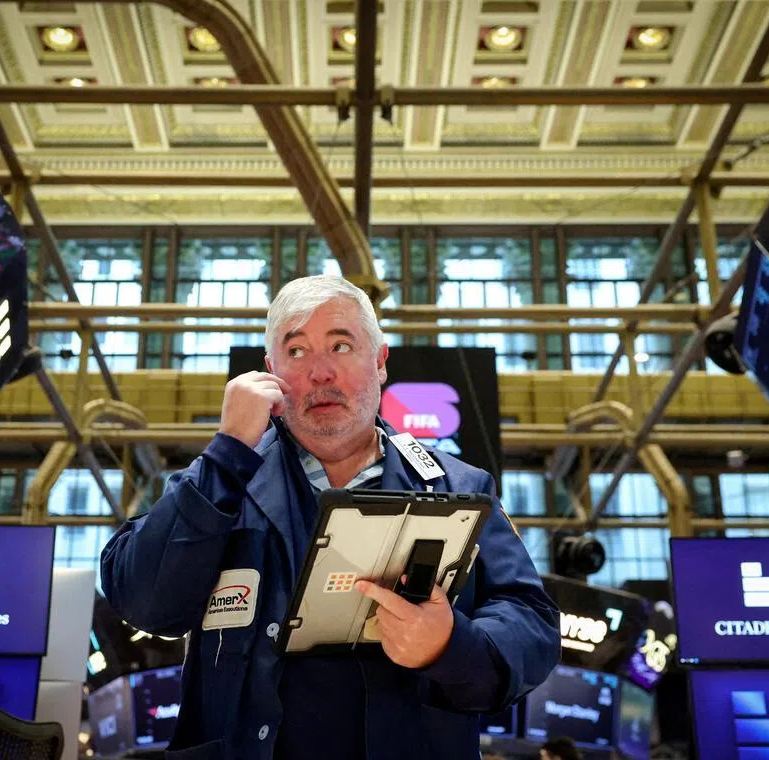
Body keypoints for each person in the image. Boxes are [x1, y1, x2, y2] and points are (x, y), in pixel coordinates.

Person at [101, 275, 561, 760]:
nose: (320, 372)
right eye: (296, 352)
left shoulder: (459, 488)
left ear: (381, 362)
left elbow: (533, 624)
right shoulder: (220, 480)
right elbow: (142, 601)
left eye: (341, 345)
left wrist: (450, 643)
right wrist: (226, 453)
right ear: (269, 372)